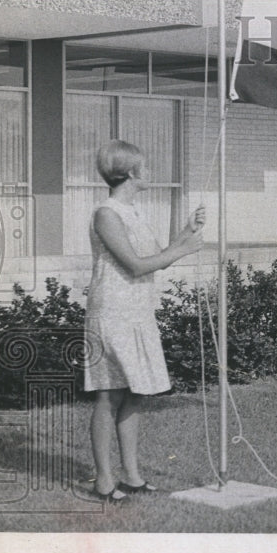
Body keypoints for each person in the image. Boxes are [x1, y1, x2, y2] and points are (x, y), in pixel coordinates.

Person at [84, 140, 205, 501]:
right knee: (109, 394)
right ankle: (104, 480)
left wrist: (187, 231)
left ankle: (132, 476)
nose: (149, 172)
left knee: (135, 392)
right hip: (111, 309)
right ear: (132, 173)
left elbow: (157, 256)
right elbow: (135, 265)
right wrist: (183, 249)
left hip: (137, 309)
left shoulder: (133, 211)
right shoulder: (106, 213)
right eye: (146, 167)